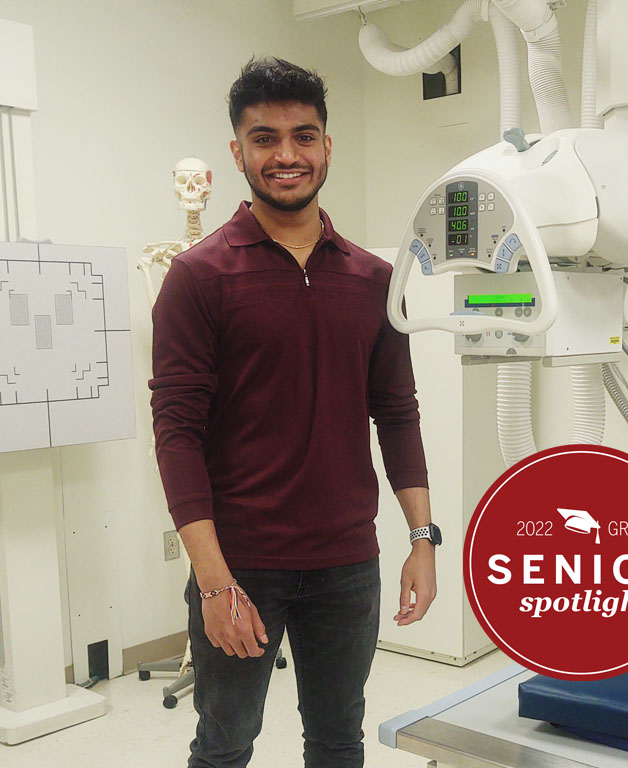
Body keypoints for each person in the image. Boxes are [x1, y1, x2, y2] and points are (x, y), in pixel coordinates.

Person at [149, 56, 440, 768]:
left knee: (338, 742)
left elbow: (397, 413)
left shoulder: (374, 279)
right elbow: (177, 435)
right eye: (265, 138)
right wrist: (213, 581)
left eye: (303, 136)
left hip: (347, 563)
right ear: (238, 152)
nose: (287, 155)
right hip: (242, 563)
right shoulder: (199, 277)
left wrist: (423, 539)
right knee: (224, 744)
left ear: (327, 146)